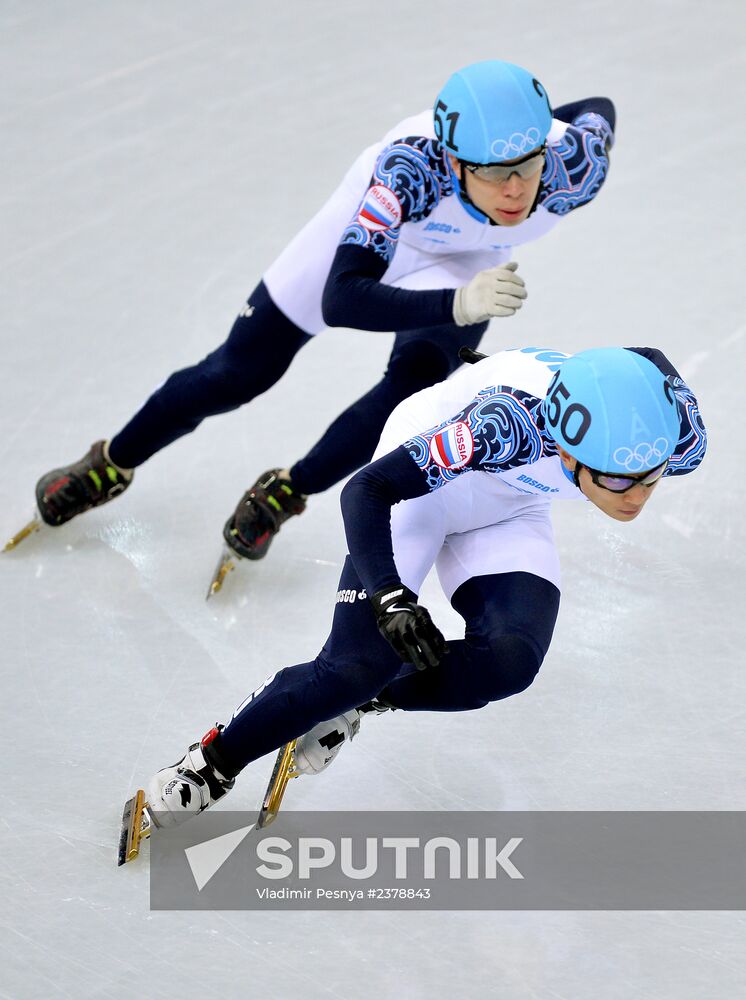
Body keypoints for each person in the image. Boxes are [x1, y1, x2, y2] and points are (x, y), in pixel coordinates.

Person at [34, 60, 616, 566]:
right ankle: (110, 462)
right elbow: (342, 299)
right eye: (492, 170)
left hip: (467, 256)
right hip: (371, 240)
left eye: (528, 162)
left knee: (411, 387)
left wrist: (527, 126)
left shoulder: (574, 167)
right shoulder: (410, 171)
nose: (515, 189)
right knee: (239, 372)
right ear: (455, 161)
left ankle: (288, 491)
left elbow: (598, 107)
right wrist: (457, 304)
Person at [130, 343, 707, 827]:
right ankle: (212, 761)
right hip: (419, 491)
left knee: (509, 661)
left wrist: (503, 363)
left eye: (651, 478)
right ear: (565, 446)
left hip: (512, 504)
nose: (635, 495)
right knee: (354, 666)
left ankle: (362, 702)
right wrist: (389, 598)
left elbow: (647, 359)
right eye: (615, 477)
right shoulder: (505, 429)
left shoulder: (678, 436)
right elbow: (366, 490)